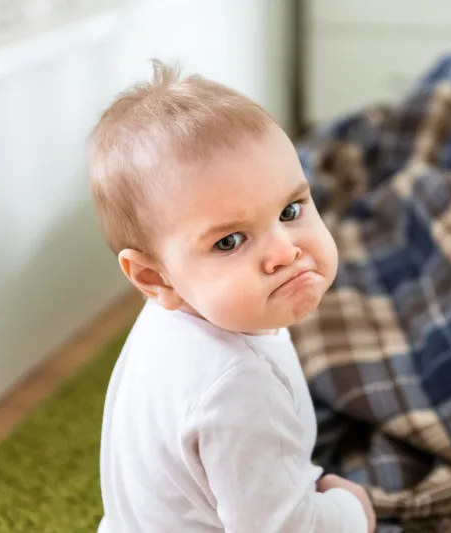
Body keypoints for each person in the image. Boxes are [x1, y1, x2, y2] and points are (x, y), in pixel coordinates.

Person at [88, 59, 376, 533]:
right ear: (154, 278)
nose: (285, 251)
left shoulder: (173, 315)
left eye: (291, 209)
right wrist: (351, 512)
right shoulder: (239, 387)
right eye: (229, 241)